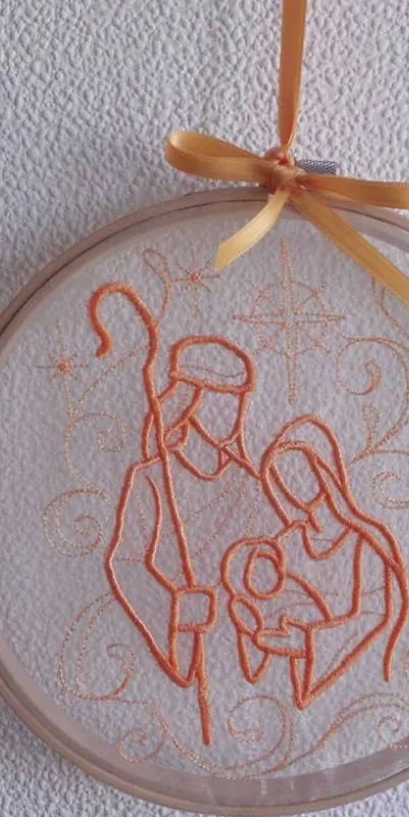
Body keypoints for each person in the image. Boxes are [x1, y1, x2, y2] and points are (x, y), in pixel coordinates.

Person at [88, 283, 278, 746]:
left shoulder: (248, 484)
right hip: (189, 632)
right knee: (203, 728)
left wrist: (255, 601)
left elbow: (275, 557)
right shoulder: (154, 478)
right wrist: (173, 606)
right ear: (191, 397)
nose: (234, 410)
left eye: (238, 397)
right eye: (222, 396)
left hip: (240, 632)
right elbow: (127, 561)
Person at [221, 415, 409, 710]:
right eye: (283, 476)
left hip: (348, 683)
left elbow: (373, 617)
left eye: (302, 473)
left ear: (325, 473)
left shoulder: (364, 543)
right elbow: (269, 594)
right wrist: (254, 625)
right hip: (287, 673)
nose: (294, 488)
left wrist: (308, 643)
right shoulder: (286, 542)